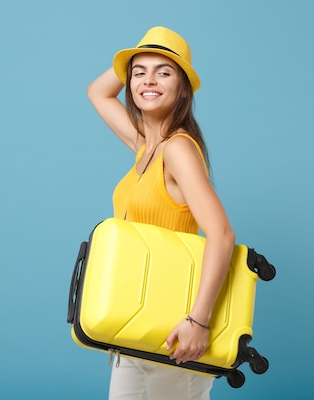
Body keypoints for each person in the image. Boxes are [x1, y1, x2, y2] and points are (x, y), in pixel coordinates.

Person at [87, 26, 236, 400]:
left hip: (175, 324)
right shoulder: (146, 145)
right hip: (138, 320)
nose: (148, 81)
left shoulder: (177, 150)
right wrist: (139, 56)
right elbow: (97, 92)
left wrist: (198, 322)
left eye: (164, 72)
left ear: (184, 88)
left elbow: (221, 235)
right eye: (139, 72)